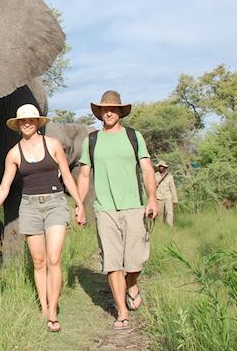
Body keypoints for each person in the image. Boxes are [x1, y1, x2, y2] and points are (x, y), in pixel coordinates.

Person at [0, 104, 86, 333]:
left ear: (37, 122)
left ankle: (53, 310)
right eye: (23, 121)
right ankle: (43, 306)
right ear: (18, 125)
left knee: (54, 258)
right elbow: (4, 188)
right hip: (30, 207)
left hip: (55, 203)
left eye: (31, 120)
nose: (27, 123)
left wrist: (80, 204)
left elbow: (66, 175)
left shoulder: (53, 145)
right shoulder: (14, 154)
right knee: (38, 261)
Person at [76, 90, 158, 331]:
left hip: (134, 207)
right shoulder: (91, 141)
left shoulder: (134, 137)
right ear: (99, 112)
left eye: (113, 108)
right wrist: (80, 205)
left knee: (135, 263)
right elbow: (84, 175)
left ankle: (131, 283)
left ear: (120, 112)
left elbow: (146, 169)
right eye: (104, 108)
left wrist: (152, 198)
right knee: (112, 263)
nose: (108, 112)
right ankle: (122, 311)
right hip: (104, 210)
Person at [155, 160, 178, 227]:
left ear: (165, 167)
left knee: (169, 212)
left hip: (168, 196)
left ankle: (170, 226)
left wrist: (175, 200)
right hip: (159, 197)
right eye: (160, 166)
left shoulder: (170, 176)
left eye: (162, 166)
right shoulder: (155, 175)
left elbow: (173, 188)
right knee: (159, 213)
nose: (161, 167)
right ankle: (160, 227)